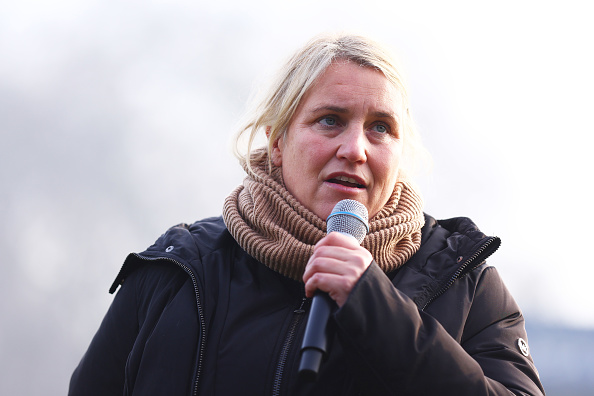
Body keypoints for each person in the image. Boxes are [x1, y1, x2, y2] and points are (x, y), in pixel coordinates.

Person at [69, 33, 545, 395]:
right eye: (330, 120)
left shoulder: (467, 286)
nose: (355, 149)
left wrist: (377, 309)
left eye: (380, 128)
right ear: (277, 142)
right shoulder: (177, 271)